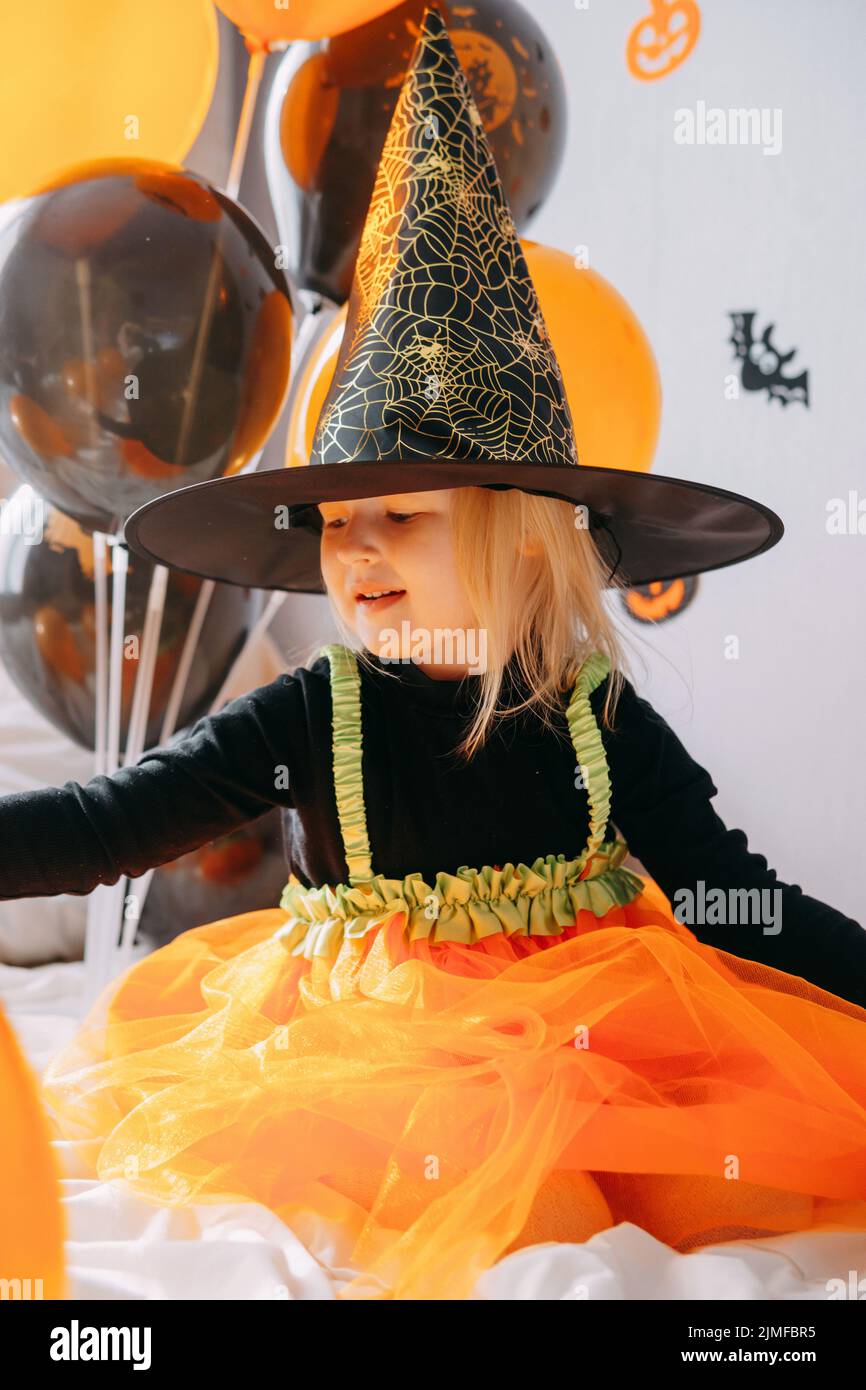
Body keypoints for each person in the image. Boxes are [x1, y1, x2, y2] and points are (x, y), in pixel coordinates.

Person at [4, 10, 866, 1300]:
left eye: (400, 516)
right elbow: (112, 820)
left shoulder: (590, 713)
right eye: (333, 524)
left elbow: (731, 892)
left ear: (520, 534)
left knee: (728, 1183)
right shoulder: (317, 713)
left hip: (589, 1038)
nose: (354, 549)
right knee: (528, 1214)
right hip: (382, 1061)